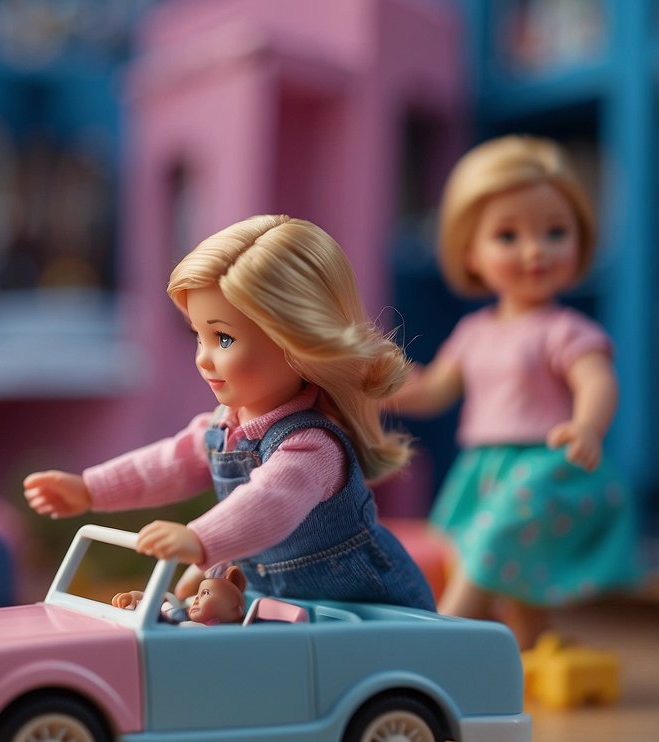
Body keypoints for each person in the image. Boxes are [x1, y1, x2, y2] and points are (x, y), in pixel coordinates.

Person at [25, 215, 434, 611]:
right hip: (285, 604)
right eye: (196, 335)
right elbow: (165, 464)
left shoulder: (313, 447)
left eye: (223, 338)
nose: (203, 359)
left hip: (369, 608)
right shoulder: (223, 428)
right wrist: (89, 489)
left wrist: (199, 539)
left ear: (295, 339)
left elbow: (269, 502)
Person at [390, 134, 640, 648]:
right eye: (508, 236)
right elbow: (434, 388)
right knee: (501, 562)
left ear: (580, 238)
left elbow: (596, 379)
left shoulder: (565, 330)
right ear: (470, 253)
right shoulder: (474, 332)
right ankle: (531, 641)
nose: (534, 251)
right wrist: (381, 390)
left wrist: (587, 425)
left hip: (547, 463)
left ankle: (443, 638)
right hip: (485, 467)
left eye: (555, 232)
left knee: (490, 545)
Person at [111, 565, 248, 626]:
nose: (196, 599)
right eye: (198, 594)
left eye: (205, 593)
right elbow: (170, 604)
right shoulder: (186, 610)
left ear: (235, 610)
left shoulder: (217, 630)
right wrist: (140, 599)